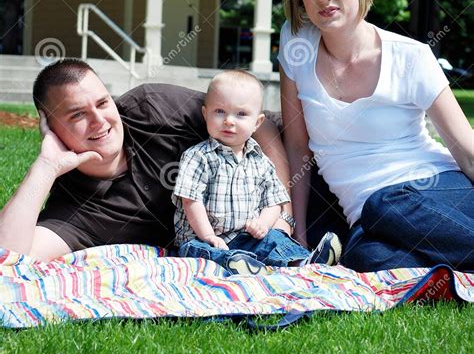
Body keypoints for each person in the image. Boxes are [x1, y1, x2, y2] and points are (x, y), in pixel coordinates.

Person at [279, 0, 474, 272]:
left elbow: (467, 153)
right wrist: (298, 232)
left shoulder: (411, 57)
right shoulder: (295, 43)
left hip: (438, 190)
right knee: (363, 256)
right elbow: (297, 147)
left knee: (385, 202)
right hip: (370, 215)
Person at [0, 59, 294, 262]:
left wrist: (284, 218)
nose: (99, 121)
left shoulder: (152, 107)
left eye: (103, 103)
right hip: (236, 245)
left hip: (297, 167)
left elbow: (260, 125)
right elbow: (7, 256)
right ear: (52, 129)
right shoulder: (74, 209)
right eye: (78, 115)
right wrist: (46, 166)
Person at [173, 70, 335, 275]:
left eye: (241, 114)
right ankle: (237, 264)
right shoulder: (197, 157)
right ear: (205, 114)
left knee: (275, 238)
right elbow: (190, 201)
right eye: (220, 111)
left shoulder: (261, 162)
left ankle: (303, 262)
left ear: (257, 123)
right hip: (203, 237)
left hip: (246, 237)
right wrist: (208, 236)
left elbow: (274, 202)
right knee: (197, 251)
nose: (229, 121)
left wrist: (263, 224)